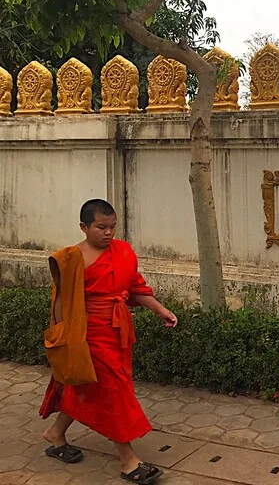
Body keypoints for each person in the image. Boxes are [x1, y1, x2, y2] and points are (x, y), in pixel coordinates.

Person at [39, 199, 178, 484]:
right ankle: (128, 460)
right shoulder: (72, 258)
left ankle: (56, 434)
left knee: (90, 389)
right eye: (101, 227)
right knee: (113, 391)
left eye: (112, 227)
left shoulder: (123, 251)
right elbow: (61, 303)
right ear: (84, 227)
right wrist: (64, 340)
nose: (108, 233)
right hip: (87, 335)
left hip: (118, 332)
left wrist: (160, 309)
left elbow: (136, 287)